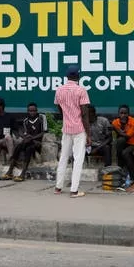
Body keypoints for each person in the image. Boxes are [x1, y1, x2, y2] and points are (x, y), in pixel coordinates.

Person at [54, 65, 91, 198]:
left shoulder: (59, 90)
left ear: (67, 76)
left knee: (63, 157)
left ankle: (58, 187)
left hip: (66, 128)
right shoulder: (81, 90)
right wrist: (89, 135)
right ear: (78, 76)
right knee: (78, 159)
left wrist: (66, 116)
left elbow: (59, 108)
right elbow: (85, 114)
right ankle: (74, 190)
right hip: (79, 129)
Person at [3, 103, 47, 182]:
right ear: (28, 111)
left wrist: (32, 138)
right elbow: (26, 133)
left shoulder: (41, 117)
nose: (32, 112)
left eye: (34, 110)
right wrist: (25, 137)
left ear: (37, 111)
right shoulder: (26, 121)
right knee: (19, 146)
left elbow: (44, 132)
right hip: (29, 141)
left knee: (29, 147)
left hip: (38, 142)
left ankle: (22, 174)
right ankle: (10, 171)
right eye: (30, 111)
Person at [112, 105, 134, 182]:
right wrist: (118, 130)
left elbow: (127, 136)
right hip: (123, 144)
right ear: (118, 114)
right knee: (120, 141)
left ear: (128, 114)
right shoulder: (115, 122)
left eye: (125, 113)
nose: (123, 115)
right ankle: (120, 166)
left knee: (125, 152)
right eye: (121, 113)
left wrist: (118, 130)